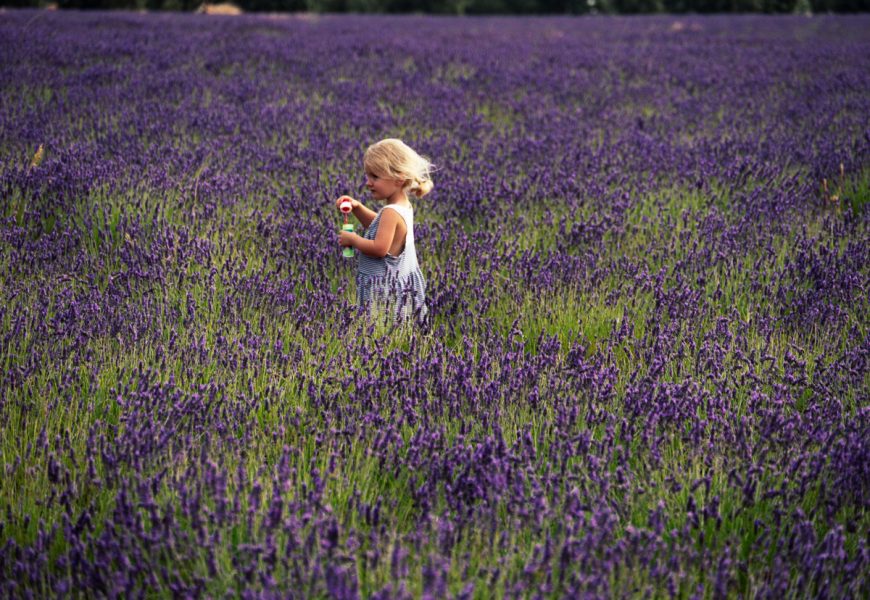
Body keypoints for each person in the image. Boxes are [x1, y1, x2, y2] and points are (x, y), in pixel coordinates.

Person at [336, 138, 432, 324]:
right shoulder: (402, 206)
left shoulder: (390, 212)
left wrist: (353, 239)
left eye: (375, 177)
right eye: (368, 176)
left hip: (382, 286)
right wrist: (357, 208)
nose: (368, 182)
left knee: (379, 329)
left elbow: (380, 247)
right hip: (400, 282)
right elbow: (380, 229)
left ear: (399, 179)